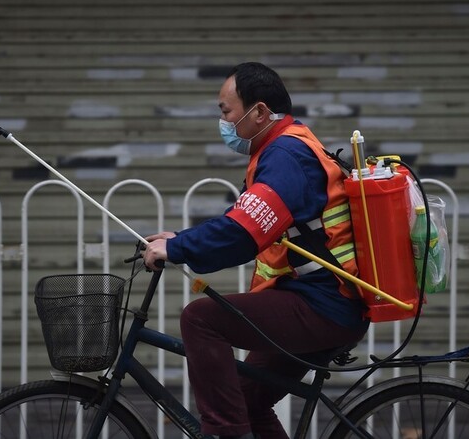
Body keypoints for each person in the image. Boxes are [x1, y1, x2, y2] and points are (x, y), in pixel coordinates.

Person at [143, 62, 369, 439]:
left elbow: (241, 234)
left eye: (226, 111)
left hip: (324, 304)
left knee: (200, 319)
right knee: (249, 402)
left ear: (260, 112)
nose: (223, 122)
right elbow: (246, 220)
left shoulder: (285, 155)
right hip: (324, 301)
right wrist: (179, 239)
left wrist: (178, 248)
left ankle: (226, 435)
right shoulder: (285, 146)